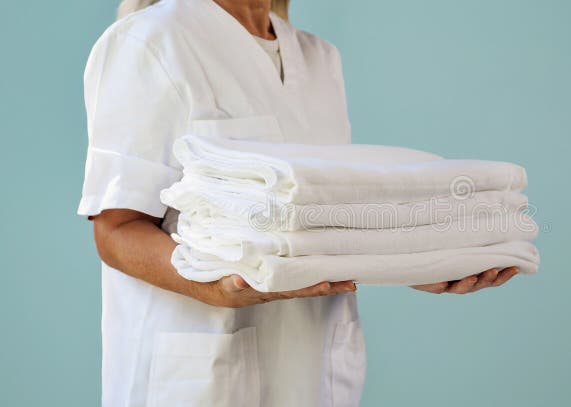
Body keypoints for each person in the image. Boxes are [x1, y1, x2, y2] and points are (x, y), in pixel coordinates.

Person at [78, 0, 521, 405]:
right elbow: (115, 230)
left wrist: (421, 258)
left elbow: (326, 216)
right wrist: (212, 285)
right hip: (203, 372)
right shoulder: (151, 40)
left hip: (314, 369)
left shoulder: (318, 58)